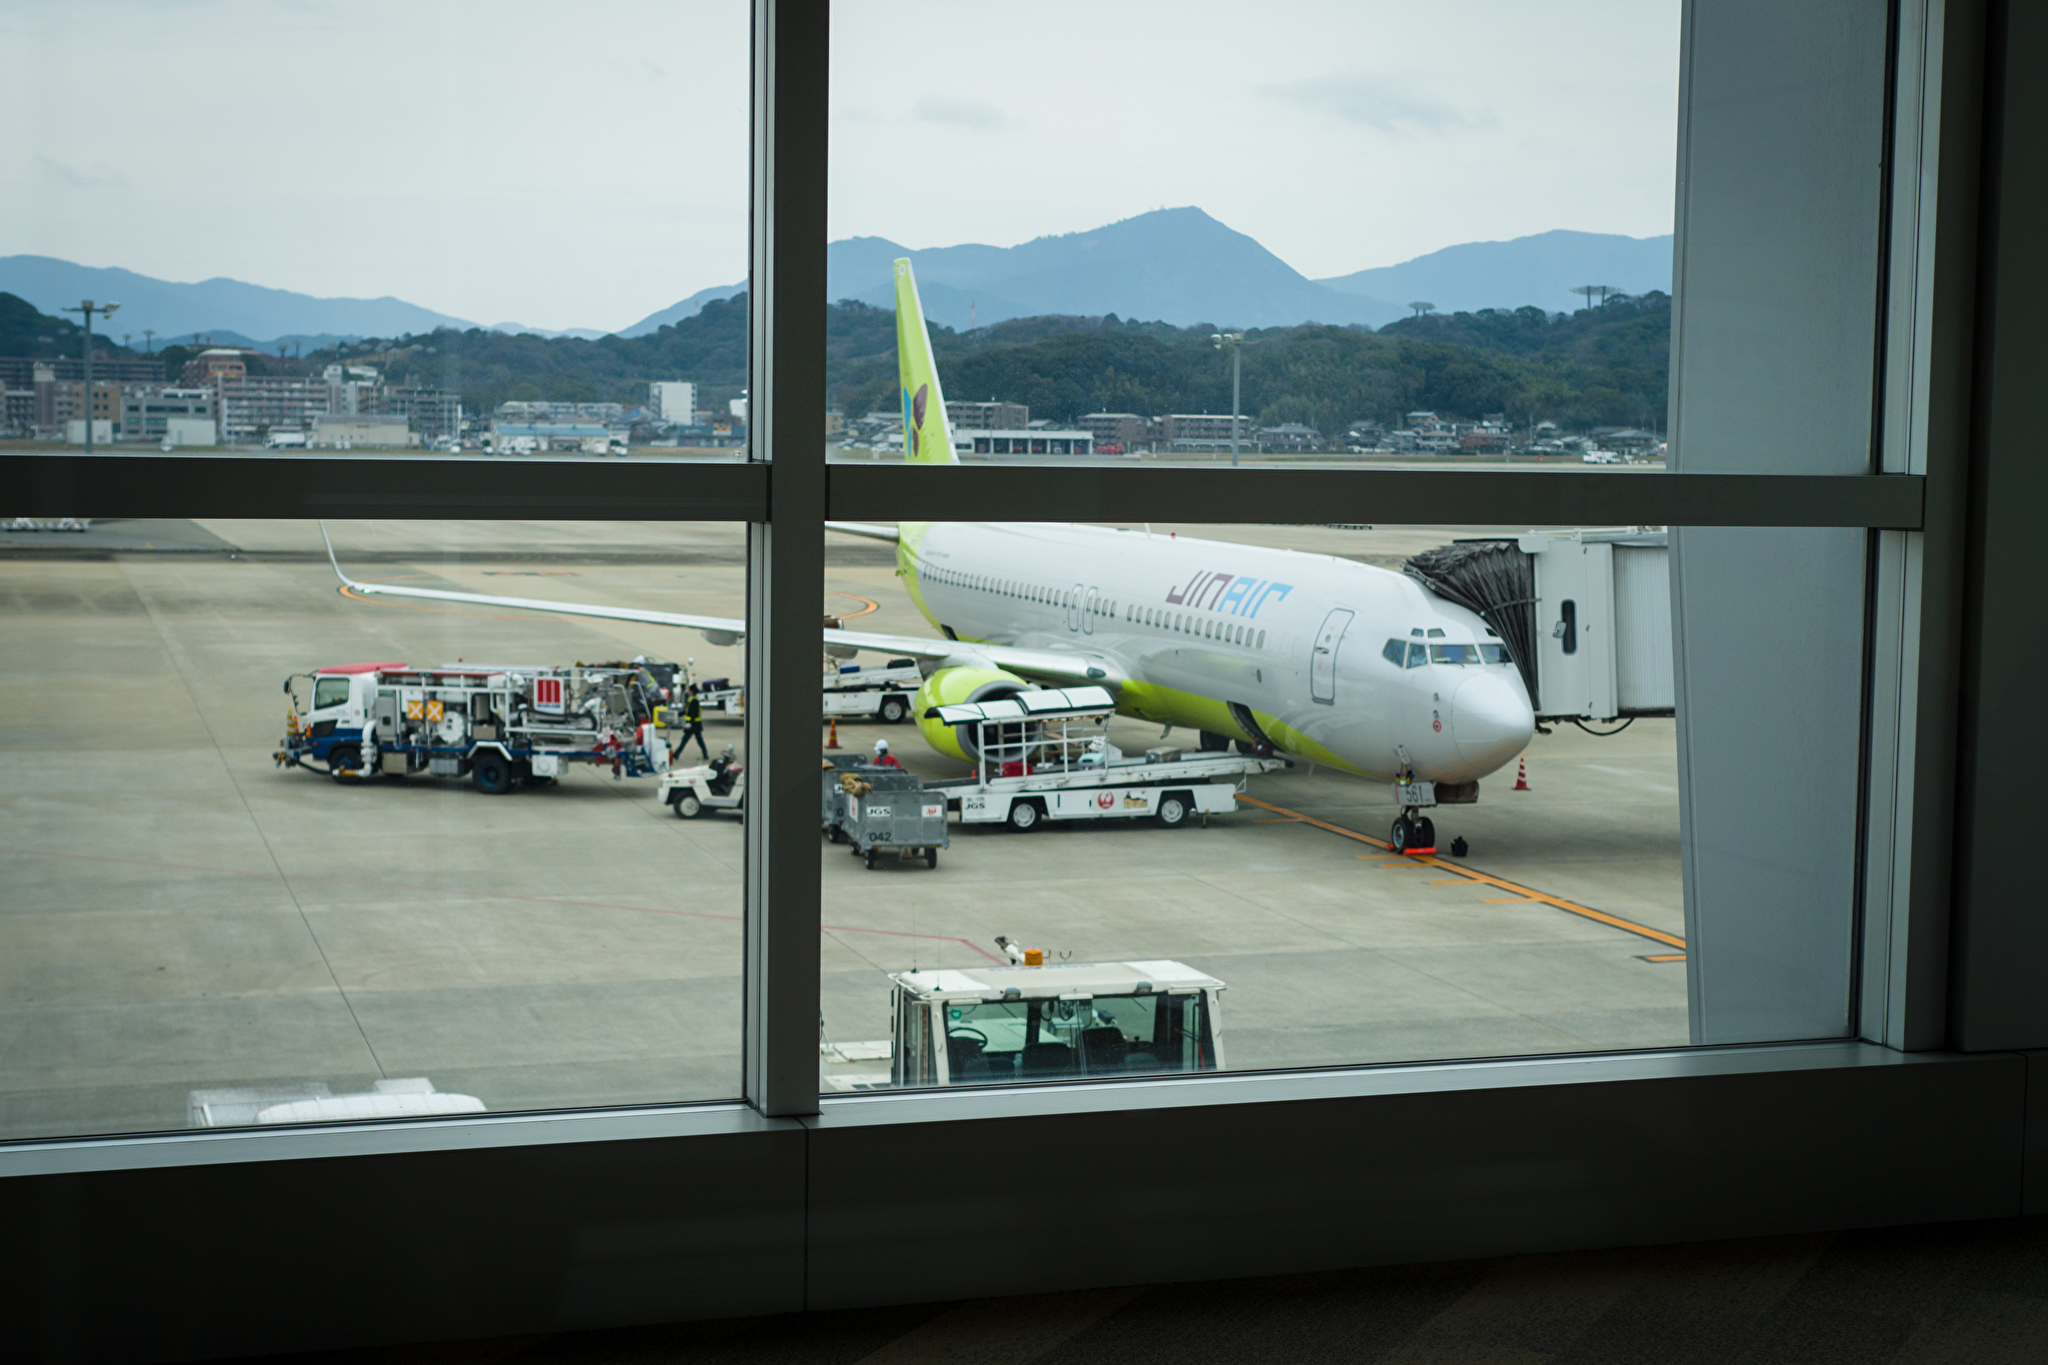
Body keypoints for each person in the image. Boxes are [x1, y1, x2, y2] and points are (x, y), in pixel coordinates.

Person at [679, 684, 708, 761]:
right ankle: (705, 755)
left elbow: (694, 713)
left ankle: (676, 754)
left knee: (685, 740)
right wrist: (677, 714)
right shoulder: (691, 699)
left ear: (692, 691)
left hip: (694, 724)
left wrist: (690, 723)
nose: (687, 691)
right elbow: (686, 711)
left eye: (689, 690)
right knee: (698, 740)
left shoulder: (694, 701)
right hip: (694, 724)